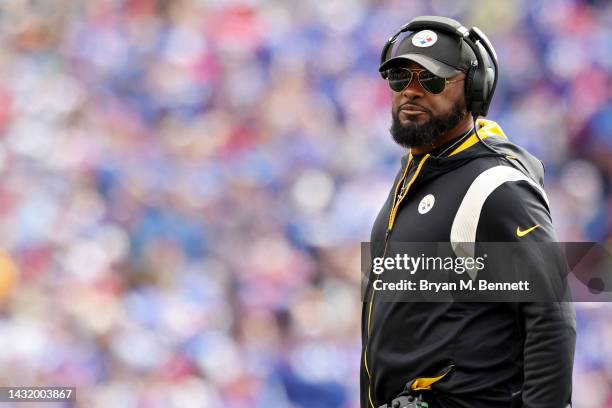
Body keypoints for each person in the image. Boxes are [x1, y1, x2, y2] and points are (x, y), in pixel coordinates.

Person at [361, 16, 576, 408]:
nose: (411, 92)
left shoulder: (498, 187)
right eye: (400, 78)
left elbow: (552, 321)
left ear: (475, 90)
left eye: (432, 80)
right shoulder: (415, 172)